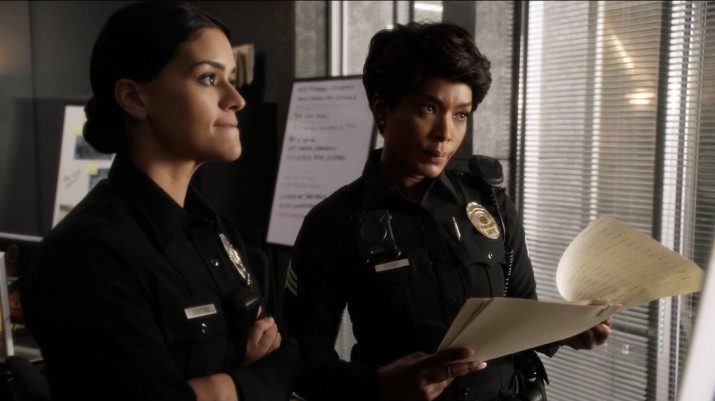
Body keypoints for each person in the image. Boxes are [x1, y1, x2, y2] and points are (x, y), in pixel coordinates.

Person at [282, 21, 612, 401]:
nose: (445, 133)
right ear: (382, 109)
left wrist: (567, 330)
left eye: (461, 114)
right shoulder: (332, 224)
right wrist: (380, 385)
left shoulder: (491, 203)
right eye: (428, 108)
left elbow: (522, 313)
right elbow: (299, 364)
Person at [20, 2, 301, 400]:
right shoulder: (86, 254)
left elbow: (287, 356)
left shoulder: (214, 230)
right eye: (209, 78)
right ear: (134, 98)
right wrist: (245, 382)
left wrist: (218, 388)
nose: (236, 99)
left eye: (232, 79)